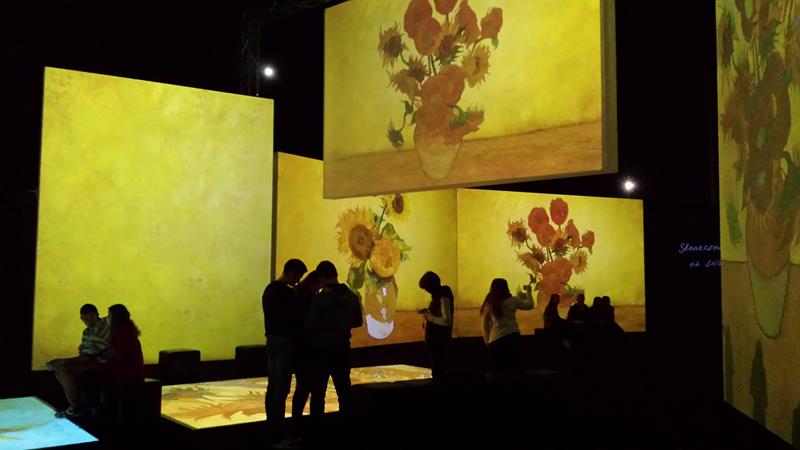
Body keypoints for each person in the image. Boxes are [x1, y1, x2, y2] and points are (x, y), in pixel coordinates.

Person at [305, 261, 362, 426]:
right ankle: (346, 427)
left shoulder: (321, 299)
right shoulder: (352, 296)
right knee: (344, 391)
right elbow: (358, 322)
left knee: (318, 393)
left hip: (321, 351)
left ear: (322, 278)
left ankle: (317, 429)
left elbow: (310, 324)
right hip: (343, 349)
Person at [262, 258, 307, 446]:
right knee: (281, 388)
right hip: (284, 343)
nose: (298, 280)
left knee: (273, 387)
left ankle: (271, 427)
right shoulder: (287, 293)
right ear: (290, 272)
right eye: (298, 276)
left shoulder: (269, 290)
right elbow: (295, 318)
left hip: (271, 340)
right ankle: (278, 433)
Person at [53, 303, 111, 418]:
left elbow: (94, 349)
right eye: (86, 318)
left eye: (91, 317)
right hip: (91, 360)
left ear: (97, 315)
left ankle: (77, 407)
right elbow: (86, 350)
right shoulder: (87, 332)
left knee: (64, 370)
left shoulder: (103, 326)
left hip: (101, 362)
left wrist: (74, 360)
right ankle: (77, 406)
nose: (88, 320)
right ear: (82, 318)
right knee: (59, 369)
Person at [288, 270, 322, 444]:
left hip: (299, 349)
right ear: (315, 283)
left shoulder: (296, 295)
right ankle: (311, 429)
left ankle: (296, 424)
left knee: (302, 388)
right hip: (309, 349)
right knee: (313, 389)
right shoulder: (310, 299)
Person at [481, 280, 533, 375]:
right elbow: (529, 305)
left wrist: (487, 341)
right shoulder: (513, 300)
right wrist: (529, 292)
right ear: (506, 288)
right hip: (512, 338)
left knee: (498, 371)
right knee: (512, 369)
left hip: (496, 340)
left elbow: (485, 326)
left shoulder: (489, 304)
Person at [417, 271, 454, 383]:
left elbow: (446, 321)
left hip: (439, 341)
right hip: (435, 341)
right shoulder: (439, 296)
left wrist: (430, 317)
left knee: (438, 371)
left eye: (427, 288)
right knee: (437, 369)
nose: (427, 291)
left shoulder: (443, 297)